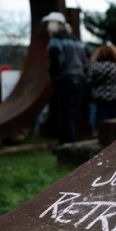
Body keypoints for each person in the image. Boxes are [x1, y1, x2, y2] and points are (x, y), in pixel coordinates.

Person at [43, 11, 90, 144]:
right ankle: (67, 140)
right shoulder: (76, 40)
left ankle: (69, 144)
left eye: (48, 25)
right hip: (79, 80)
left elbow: (56, 61)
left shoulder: (56, 40)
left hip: (65, 80)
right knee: (70, 112)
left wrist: (54, 78)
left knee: (65, 114)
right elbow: (86, 61)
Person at [89, 45, 116, 121]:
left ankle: (103, 131)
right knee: (114, 119)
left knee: (103, 118)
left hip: (100, 96)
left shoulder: (96, 67)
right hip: (115, 95)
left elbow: (91, 81)